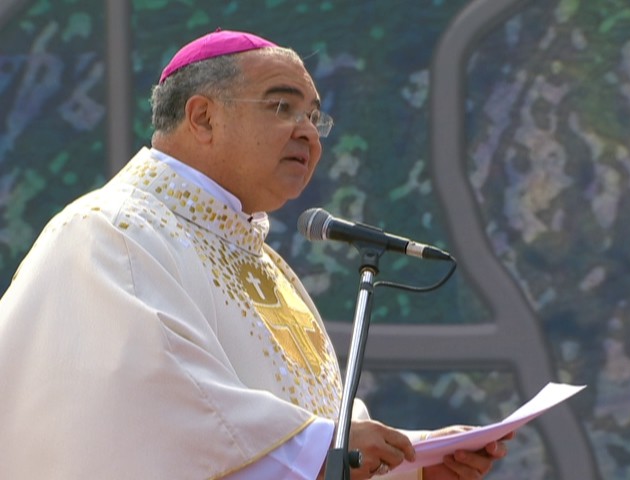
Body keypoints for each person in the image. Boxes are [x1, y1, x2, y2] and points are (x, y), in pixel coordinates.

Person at [0, 29, 512, 479]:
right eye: (281, 107)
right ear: (202, 117)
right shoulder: (111, 232)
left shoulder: (264, 264)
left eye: (314, 116)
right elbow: (150, 415)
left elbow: (317, 430)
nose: (307, 131)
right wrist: (322, 449)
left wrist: (414, 465)